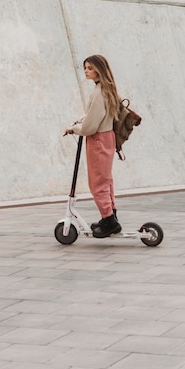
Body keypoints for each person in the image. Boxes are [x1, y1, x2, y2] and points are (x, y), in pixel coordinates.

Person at [65, 54, 121, 238]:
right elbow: (97, 116)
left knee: (97, 183)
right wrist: (82, 121)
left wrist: (74, 129)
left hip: (98, 140)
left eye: (90, 68)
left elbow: (90, 127)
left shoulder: (98, 93)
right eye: (85, 68)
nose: (86, 71)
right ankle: (110, 216)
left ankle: (109, 220)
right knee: (106, 180)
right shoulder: (107, 89)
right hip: (108, 138)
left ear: (99, 69)